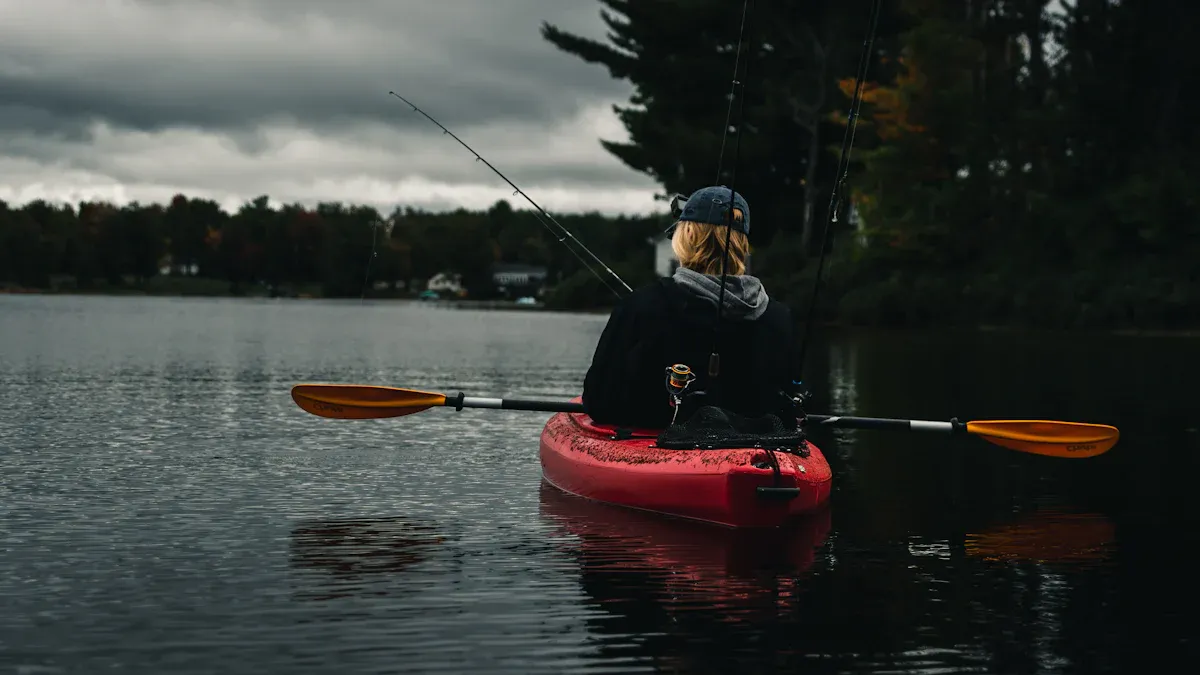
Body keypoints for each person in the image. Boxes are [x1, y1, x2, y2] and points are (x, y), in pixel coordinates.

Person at [581, 185, 798, 430]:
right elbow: (786, 405)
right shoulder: (779, 316)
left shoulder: (641, 306)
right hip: (753, 452)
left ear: (688, 236)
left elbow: (599, 402)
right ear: (743, 244)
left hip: (661, 452)